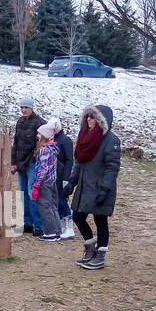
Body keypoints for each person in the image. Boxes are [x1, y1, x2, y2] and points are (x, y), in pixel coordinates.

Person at [64, 104, 120, 269]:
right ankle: (91, 247)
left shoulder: (111, 140)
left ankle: (100, 256)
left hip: (101, 187)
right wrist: (71, 183)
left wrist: (105, 189)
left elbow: (112, 167)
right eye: (87, 116)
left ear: (102, 120)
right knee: (78, 216)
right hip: (84, 186)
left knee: (100, 220)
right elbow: (79, 164)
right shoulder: (85, 137)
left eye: (93, 117)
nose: (89, 119)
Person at [11, 97, 45, 234]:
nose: (24, 110)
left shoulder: (40, 123)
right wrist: (13, 162)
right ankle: (27, 222)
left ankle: (39, 224)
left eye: (26, 107)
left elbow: (39, 146)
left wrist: (26, 161)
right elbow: (16, 142)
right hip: (20, 163)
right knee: (23, 194)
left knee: (33, 193)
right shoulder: (20, 122)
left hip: (32, 163)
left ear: (31, 108)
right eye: (22, 107)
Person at [30, 120, 62, 240]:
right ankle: (57, 231)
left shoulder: (44, 150)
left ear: (44, 136)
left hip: (44, 182)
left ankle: (50, 233)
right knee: (53, 206)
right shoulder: (53, 149)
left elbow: (42, 169)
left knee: (44, 206)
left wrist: (37, 185)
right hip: (52, 181)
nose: (37, 136)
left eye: (39, 134)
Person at [51, 117, 75, 239]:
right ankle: (61, 225)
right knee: (56, 201)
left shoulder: (65, 140)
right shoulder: (53, 140)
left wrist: (66, 178)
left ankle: (69, 227)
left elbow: (70, 160)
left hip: (62, 176)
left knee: (62, 200)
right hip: (54, 176)